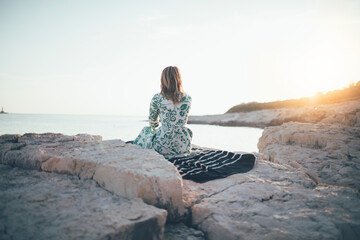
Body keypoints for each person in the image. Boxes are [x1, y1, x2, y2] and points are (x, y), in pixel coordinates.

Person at [133, 66, 193, 157]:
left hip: (163, 146)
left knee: (146, 131)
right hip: (183, 145)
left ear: (163, 80)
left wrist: (156, 128)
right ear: (179, 79)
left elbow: (153, 122)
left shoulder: (157, 98)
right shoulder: (188, 98)